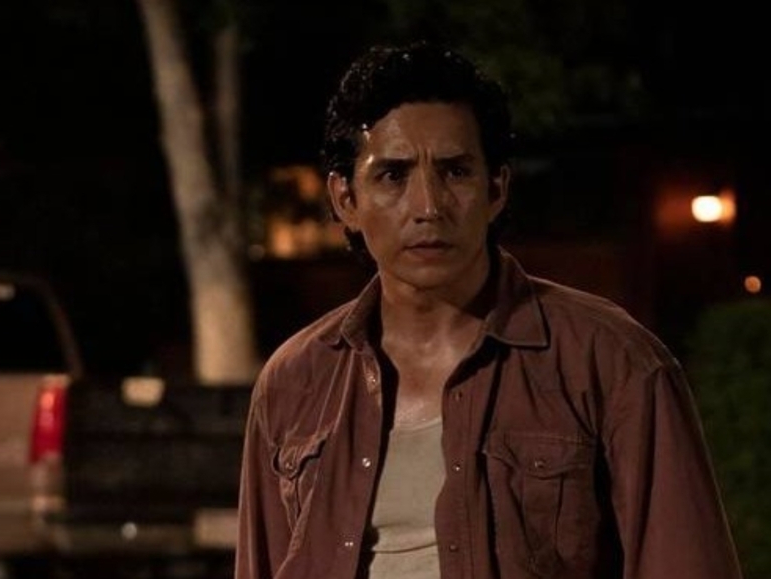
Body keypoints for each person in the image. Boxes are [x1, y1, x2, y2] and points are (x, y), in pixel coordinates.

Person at [234, 42, 743, 579]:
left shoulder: (610, 361)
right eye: (393, 175)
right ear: (345, 200)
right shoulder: (296, 382)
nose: (428, 207)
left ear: (496, 188)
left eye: (455, 171)